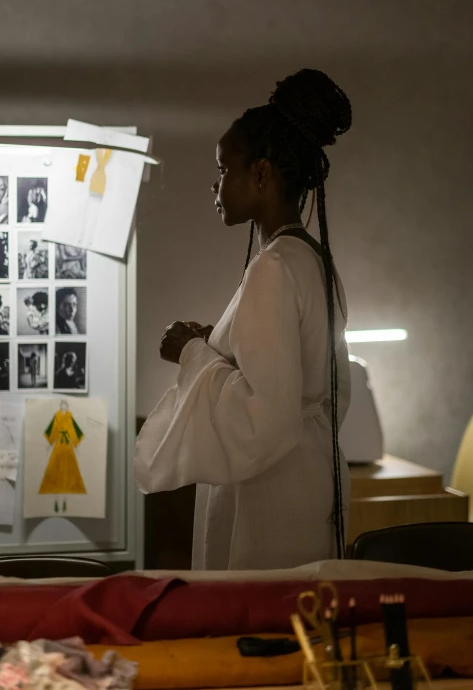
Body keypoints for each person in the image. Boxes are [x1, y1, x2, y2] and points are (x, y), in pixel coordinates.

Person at [135, 69, 353, 571]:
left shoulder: (273, 267)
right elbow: (325, 393)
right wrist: (216, 345)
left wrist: (190, 352)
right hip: (310, 471)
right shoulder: (312, 259)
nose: (216, 185)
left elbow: (265, 417)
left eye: (223, 169)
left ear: (260, 174)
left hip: (272, 490)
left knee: (268, 623)